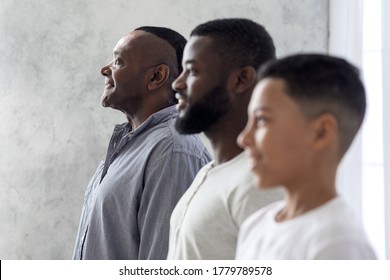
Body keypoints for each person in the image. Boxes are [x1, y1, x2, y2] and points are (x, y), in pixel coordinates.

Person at [72, 26, 211, 260]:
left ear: (156, 77)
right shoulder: (131, 147)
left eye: (118, 61)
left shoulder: (173, 150)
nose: (105, 69)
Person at [236, 54, 377, 259]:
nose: (244, 138)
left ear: (321, 133)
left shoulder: (339, 244)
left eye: (262, 120)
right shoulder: (255, 225)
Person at [167, 18, 283, 260]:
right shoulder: (209, 172)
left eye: (193, 71)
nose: (178, 83)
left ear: (241, 79)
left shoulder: (262, 185)